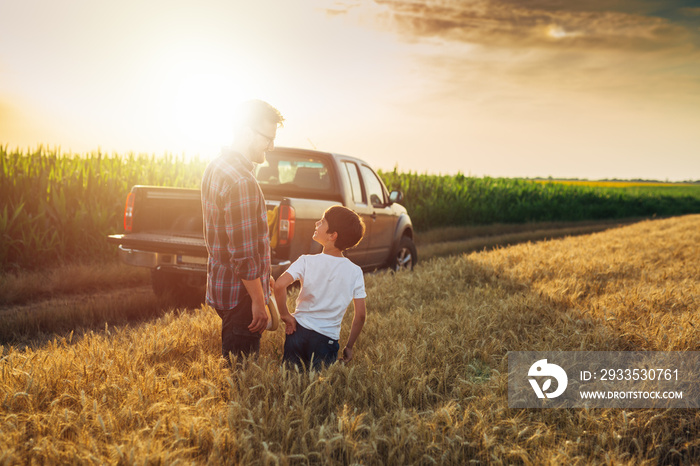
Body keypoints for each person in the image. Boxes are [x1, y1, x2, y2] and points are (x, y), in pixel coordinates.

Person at [201, 99, 284, 365]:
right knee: (243, 380)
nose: (271, 146)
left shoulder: (216, 166)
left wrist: (265, 275)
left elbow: (228, 237)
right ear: (248, 132)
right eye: (268, 138)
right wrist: (258, 301)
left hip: (223, 289)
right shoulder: (243, 180)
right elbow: (244, 253)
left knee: (235, 368)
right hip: (242, 298)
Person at [274, 205, 367, 370]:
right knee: (319, 388)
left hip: (297, 332)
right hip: (326, 340)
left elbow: (280, 285)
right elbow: (360, 316)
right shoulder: (355, 272)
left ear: (332, 235)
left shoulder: (306, 261)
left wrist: (285, 315)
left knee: (290, 383)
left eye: (322, 221)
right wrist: (349, 346)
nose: (317, 223)